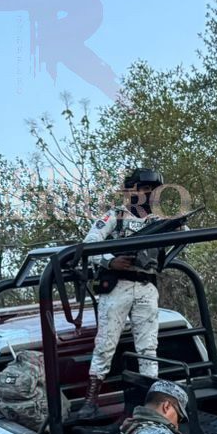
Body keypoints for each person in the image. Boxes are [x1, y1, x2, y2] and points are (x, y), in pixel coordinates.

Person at [77, 168, 164, 418]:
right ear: (132, 190)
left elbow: (184, 239)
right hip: (118, 286)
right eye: (145, 189)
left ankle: (152, 403)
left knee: (148, 348)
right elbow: (90, 244)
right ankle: (91, 400)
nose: (149, 194)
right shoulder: (115, 215)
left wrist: (179, 229)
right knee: (105, 344)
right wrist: (109, 261)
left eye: (152, 190)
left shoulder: (158, 220)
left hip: (147, 286)